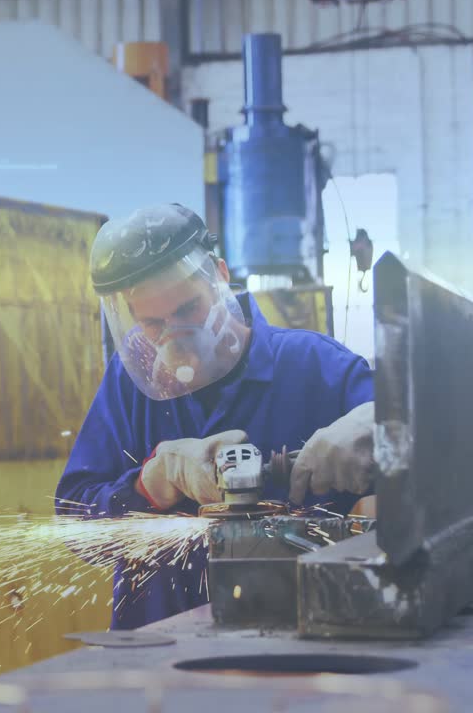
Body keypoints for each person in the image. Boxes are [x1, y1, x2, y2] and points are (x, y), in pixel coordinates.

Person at [54, 203, 376, 631]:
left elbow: (434, 458)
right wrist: (150, 485)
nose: (175, 335)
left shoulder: (317, 367)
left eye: (189, 310)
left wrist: (385, 424)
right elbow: (76, 526)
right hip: (161, 658)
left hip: (301, 654)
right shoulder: (129, 383)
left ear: (220, 276)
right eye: (153, 323)